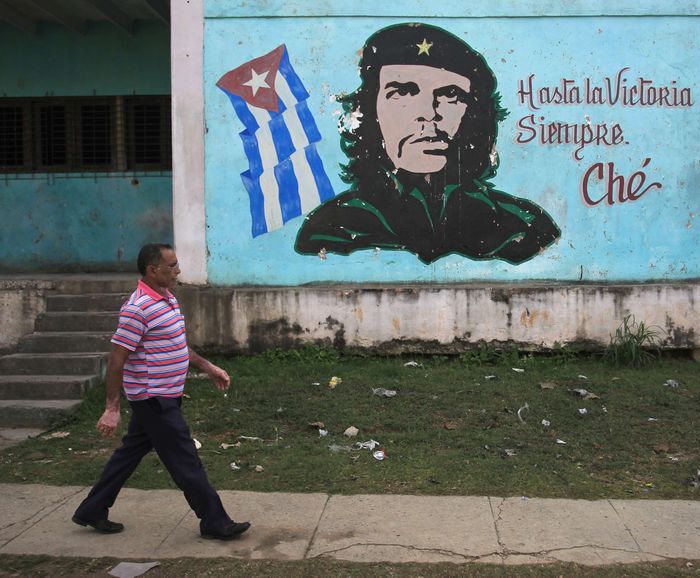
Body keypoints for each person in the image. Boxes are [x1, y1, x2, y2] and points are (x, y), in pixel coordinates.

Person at [295, 22, 560, 264]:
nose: (429, 112)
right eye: (402, 91)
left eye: (450, 95)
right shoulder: (333, 228)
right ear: (371, 111)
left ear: (474, 116)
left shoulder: (524, 227)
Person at [72, 243, 250, 540]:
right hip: (154, 399)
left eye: (177, 264)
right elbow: (117, 358)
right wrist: (112, 407)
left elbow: (177, 347)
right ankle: (215, 522)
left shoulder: (167, 300)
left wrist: (207, 367)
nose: (178, 270)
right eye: (172, 266)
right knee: (186, 460)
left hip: (162, 397)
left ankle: (92, 508)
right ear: (153, 270)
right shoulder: (137, 308)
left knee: (127, 456)